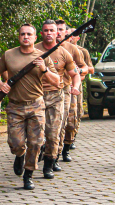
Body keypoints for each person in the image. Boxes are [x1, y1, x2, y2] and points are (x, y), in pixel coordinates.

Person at [0, 23, 59, 190]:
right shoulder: (8, 55)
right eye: (23, 34)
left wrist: (44, 69)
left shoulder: (43, 57)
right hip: (15, 106)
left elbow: (57, 81)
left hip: (36, 104)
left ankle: (28, 174)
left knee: (36, 143)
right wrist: (0, 84)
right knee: (16, 143)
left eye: (29, 34)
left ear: (35, 38)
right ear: (19, 36)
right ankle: (19, 155)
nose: (26, 37)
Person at [35, 19, 80, 179]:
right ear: (41, 33)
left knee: (54, 132)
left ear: (58, 34)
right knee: (35, 133)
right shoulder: (33, 50)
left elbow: (76, 74)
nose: (49, 33)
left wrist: (76, 86)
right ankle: (29, 156)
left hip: (56, 95)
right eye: (46, 31)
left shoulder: (64, 53)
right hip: (36, 95)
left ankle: (49, 163)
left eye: (52, 31)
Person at [55, 19, 88, 166]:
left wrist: (78, 72)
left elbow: (85, 68)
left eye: (61, 30)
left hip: (68, 89)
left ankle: (66, 148)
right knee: (54, 123)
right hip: (47, 91)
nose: (58, 32)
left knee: (69, 122)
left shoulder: (72, 49)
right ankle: (53, 154)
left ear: (65, 32)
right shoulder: (41, 48)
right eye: (55, 29)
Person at [69, 27, 95, 150]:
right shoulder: (59, 49)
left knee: (77, 112)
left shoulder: (82, 51)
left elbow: (91, 69)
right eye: (69, 34)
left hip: (77, 85)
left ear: (78, 37)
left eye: (74, 35)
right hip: (63, 85)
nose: (71, 37)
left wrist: (79, 70)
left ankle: (72, 137)